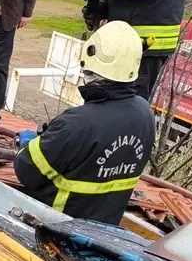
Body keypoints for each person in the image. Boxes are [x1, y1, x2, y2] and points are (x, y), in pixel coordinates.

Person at [13, 21, 155, 225]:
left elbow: (27, 171)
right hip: (107, 229)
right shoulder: (145, 114)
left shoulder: (76, 124)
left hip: (56, 227)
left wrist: (27, 146)